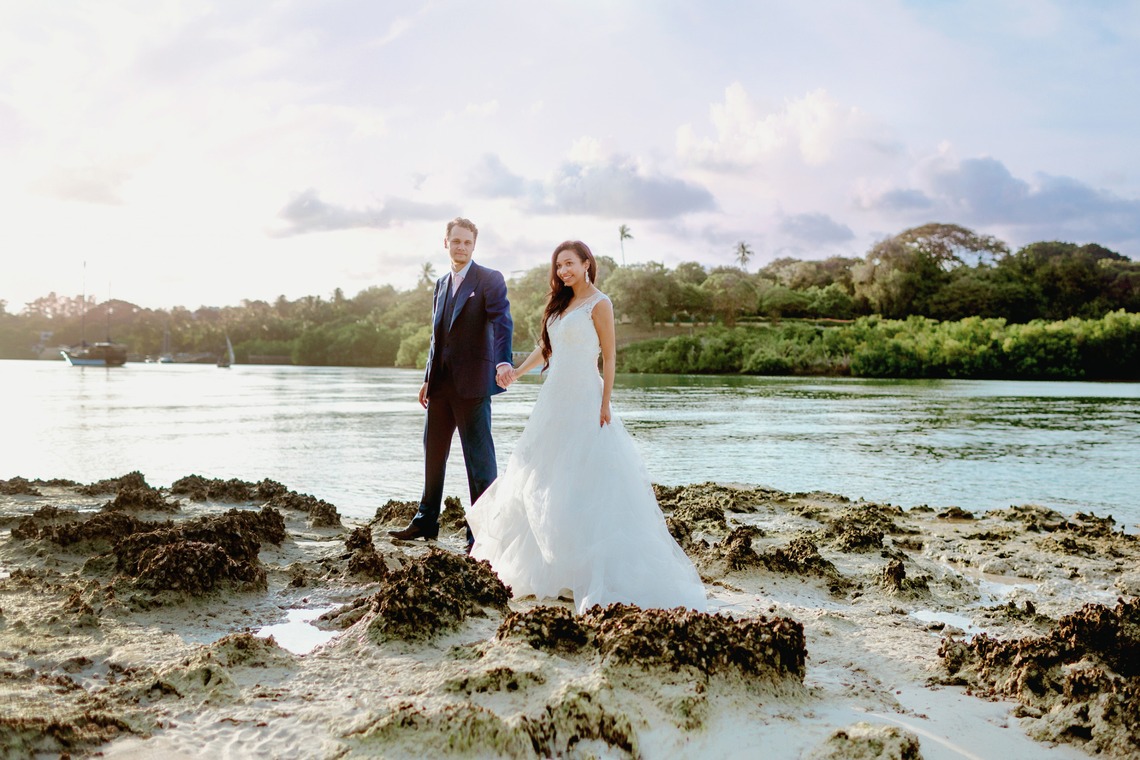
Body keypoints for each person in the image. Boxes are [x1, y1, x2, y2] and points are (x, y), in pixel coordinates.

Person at [467, 240, 707, 613]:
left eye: (569, 264)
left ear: (586, 264)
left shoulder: (601, 303)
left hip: (586, 399)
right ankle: (555, 569)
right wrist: (516, 371)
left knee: (585, 478)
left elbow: (609, 356)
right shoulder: (560, 305)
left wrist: (606, 402)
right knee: (543, 477)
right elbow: (547, 350)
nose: (563, 271)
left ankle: (585, 571)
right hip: (554, 400)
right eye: (558, 266)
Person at [389, 217, 514, 551]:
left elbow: (502, 321)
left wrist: (503, 361)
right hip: (441, 384)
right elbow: (436, 335)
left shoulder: (489, 279)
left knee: (479, 462)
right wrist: (427, 378)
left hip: (474, 384)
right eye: (456, 241)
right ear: (446, 243)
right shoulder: (441, 283)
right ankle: (426, 522)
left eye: (467, 243)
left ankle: (481, 536)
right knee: (433, 453)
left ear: (474, 245)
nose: (461, 247)